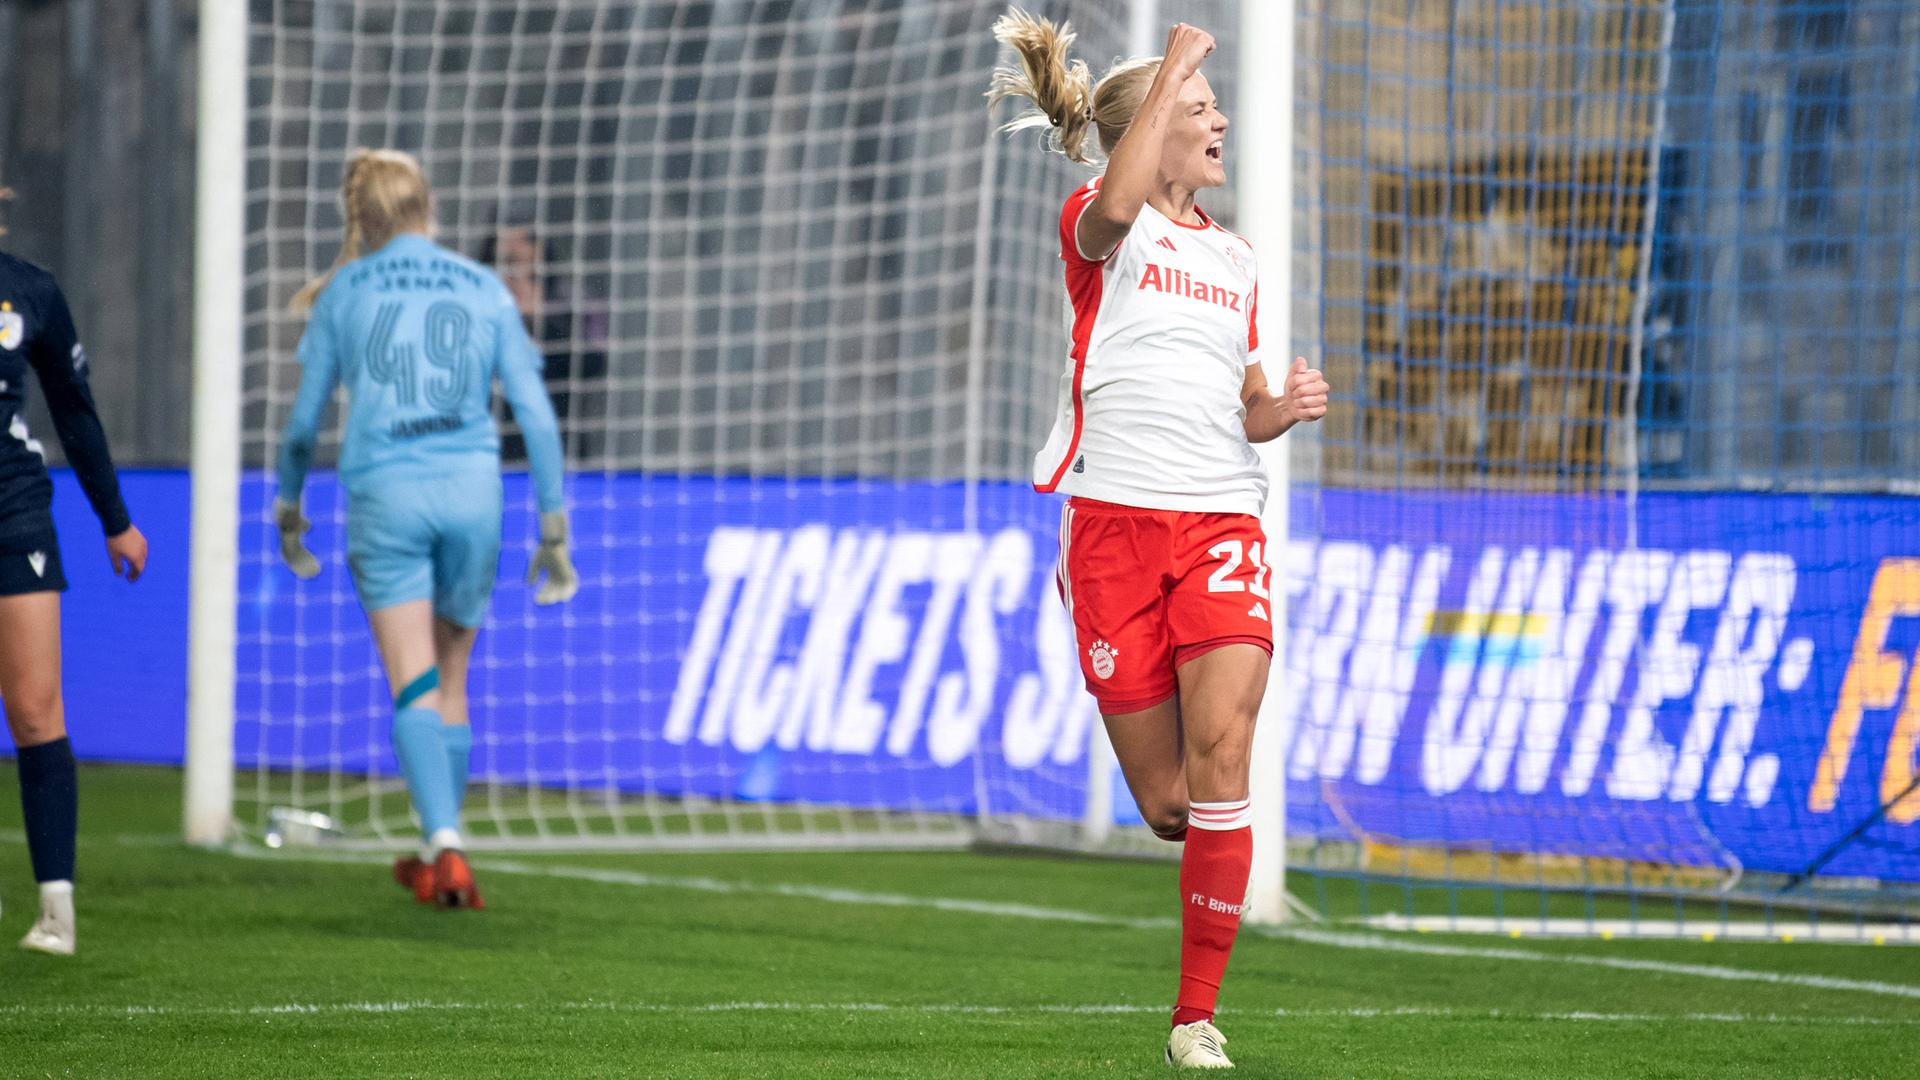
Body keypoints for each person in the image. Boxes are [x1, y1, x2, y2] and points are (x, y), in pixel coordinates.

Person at [989, 11, 1329, 1069]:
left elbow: (1246, 404)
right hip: (1112, 532)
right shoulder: (1100, 227)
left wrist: (1279, 411)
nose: (1220, 121)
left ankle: (1195, 1018)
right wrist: (1175, 58)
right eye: (1199, 109)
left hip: (1221, 522)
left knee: (1225, 754)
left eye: (1216, 106)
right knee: (1171, 804)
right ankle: (1200, 880)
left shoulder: (1237, 259)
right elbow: (1118, 201)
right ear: (1151, 131)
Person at [274, 150, 579, 909]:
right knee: (451, 678)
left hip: (388, 495)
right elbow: (536, 414)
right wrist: (553, 524)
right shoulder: (483, 286)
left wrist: (288, 506)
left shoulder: (346, 291)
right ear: (428, 208)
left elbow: (303, 426)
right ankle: (436, 844)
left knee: (413, 681)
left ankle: (445, 844)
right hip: (474, 494)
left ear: (360, 217)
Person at [0, 188, 150, 955]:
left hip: (13, 511)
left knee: (34, 707)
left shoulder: (29, 289)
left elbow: (73, 406)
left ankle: (56, 910)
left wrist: (115, 519)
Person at [479, 221, 610, 465]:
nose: (518, 280)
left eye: (531, 274)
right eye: (509, 264)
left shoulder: (567, 310)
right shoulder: (472, 316)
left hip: (556, 453)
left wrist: (538, 322)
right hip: (489, 454)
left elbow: (592, 366)